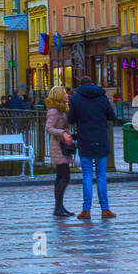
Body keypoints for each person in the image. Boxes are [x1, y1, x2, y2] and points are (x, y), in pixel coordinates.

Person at [67, 76, 116, 220]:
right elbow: (111, 116)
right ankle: (105, 209)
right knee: (101, 176)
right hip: (101, 139)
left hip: (85, 140)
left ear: (80, 85)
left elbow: (71, 119)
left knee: (87, 176)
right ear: (93, 84)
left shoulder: (75, 99)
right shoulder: (102, 97)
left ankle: (86, 210)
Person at [46, 84, 74, 218]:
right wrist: (62, 133)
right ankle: (58, 207)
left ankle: (59, 206)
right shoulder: (54, 111)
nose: (67, 95)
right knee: (64, 176)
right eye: (64, 93)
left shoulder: (62, 109)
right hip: (58, 146)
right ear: (58, 95)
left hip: (63, 145)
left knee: (61, 176)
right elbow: (49, 128)